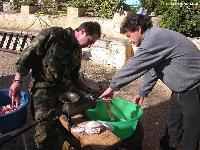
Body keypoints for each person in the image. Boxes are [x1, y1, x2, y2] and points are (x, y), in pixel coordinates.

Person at [99, 13, 200, 150]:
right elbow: (153, 68)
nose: (130, 41)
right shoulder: (154, 39)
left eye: (129, 35)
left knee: (191, 134)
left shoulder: (154, 38)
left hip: (195, 89)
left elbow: (135, 64)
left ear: (139, 29)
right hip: (180, 90)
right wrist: (142, 92)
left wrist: (111, 87)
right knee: (172, 127)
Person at [9, 21, 101, 150]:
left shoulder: (77, 51)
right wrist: (17, 81)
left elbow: (75, 76)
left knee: (57, 127)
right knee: (43, 132)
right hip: (43, 92)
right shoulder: (54, 35)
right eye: (90, 41)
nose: (90, 45)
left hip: (63, 95)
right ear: (83, 31)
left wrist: (90, 89)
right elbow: (27, 56)